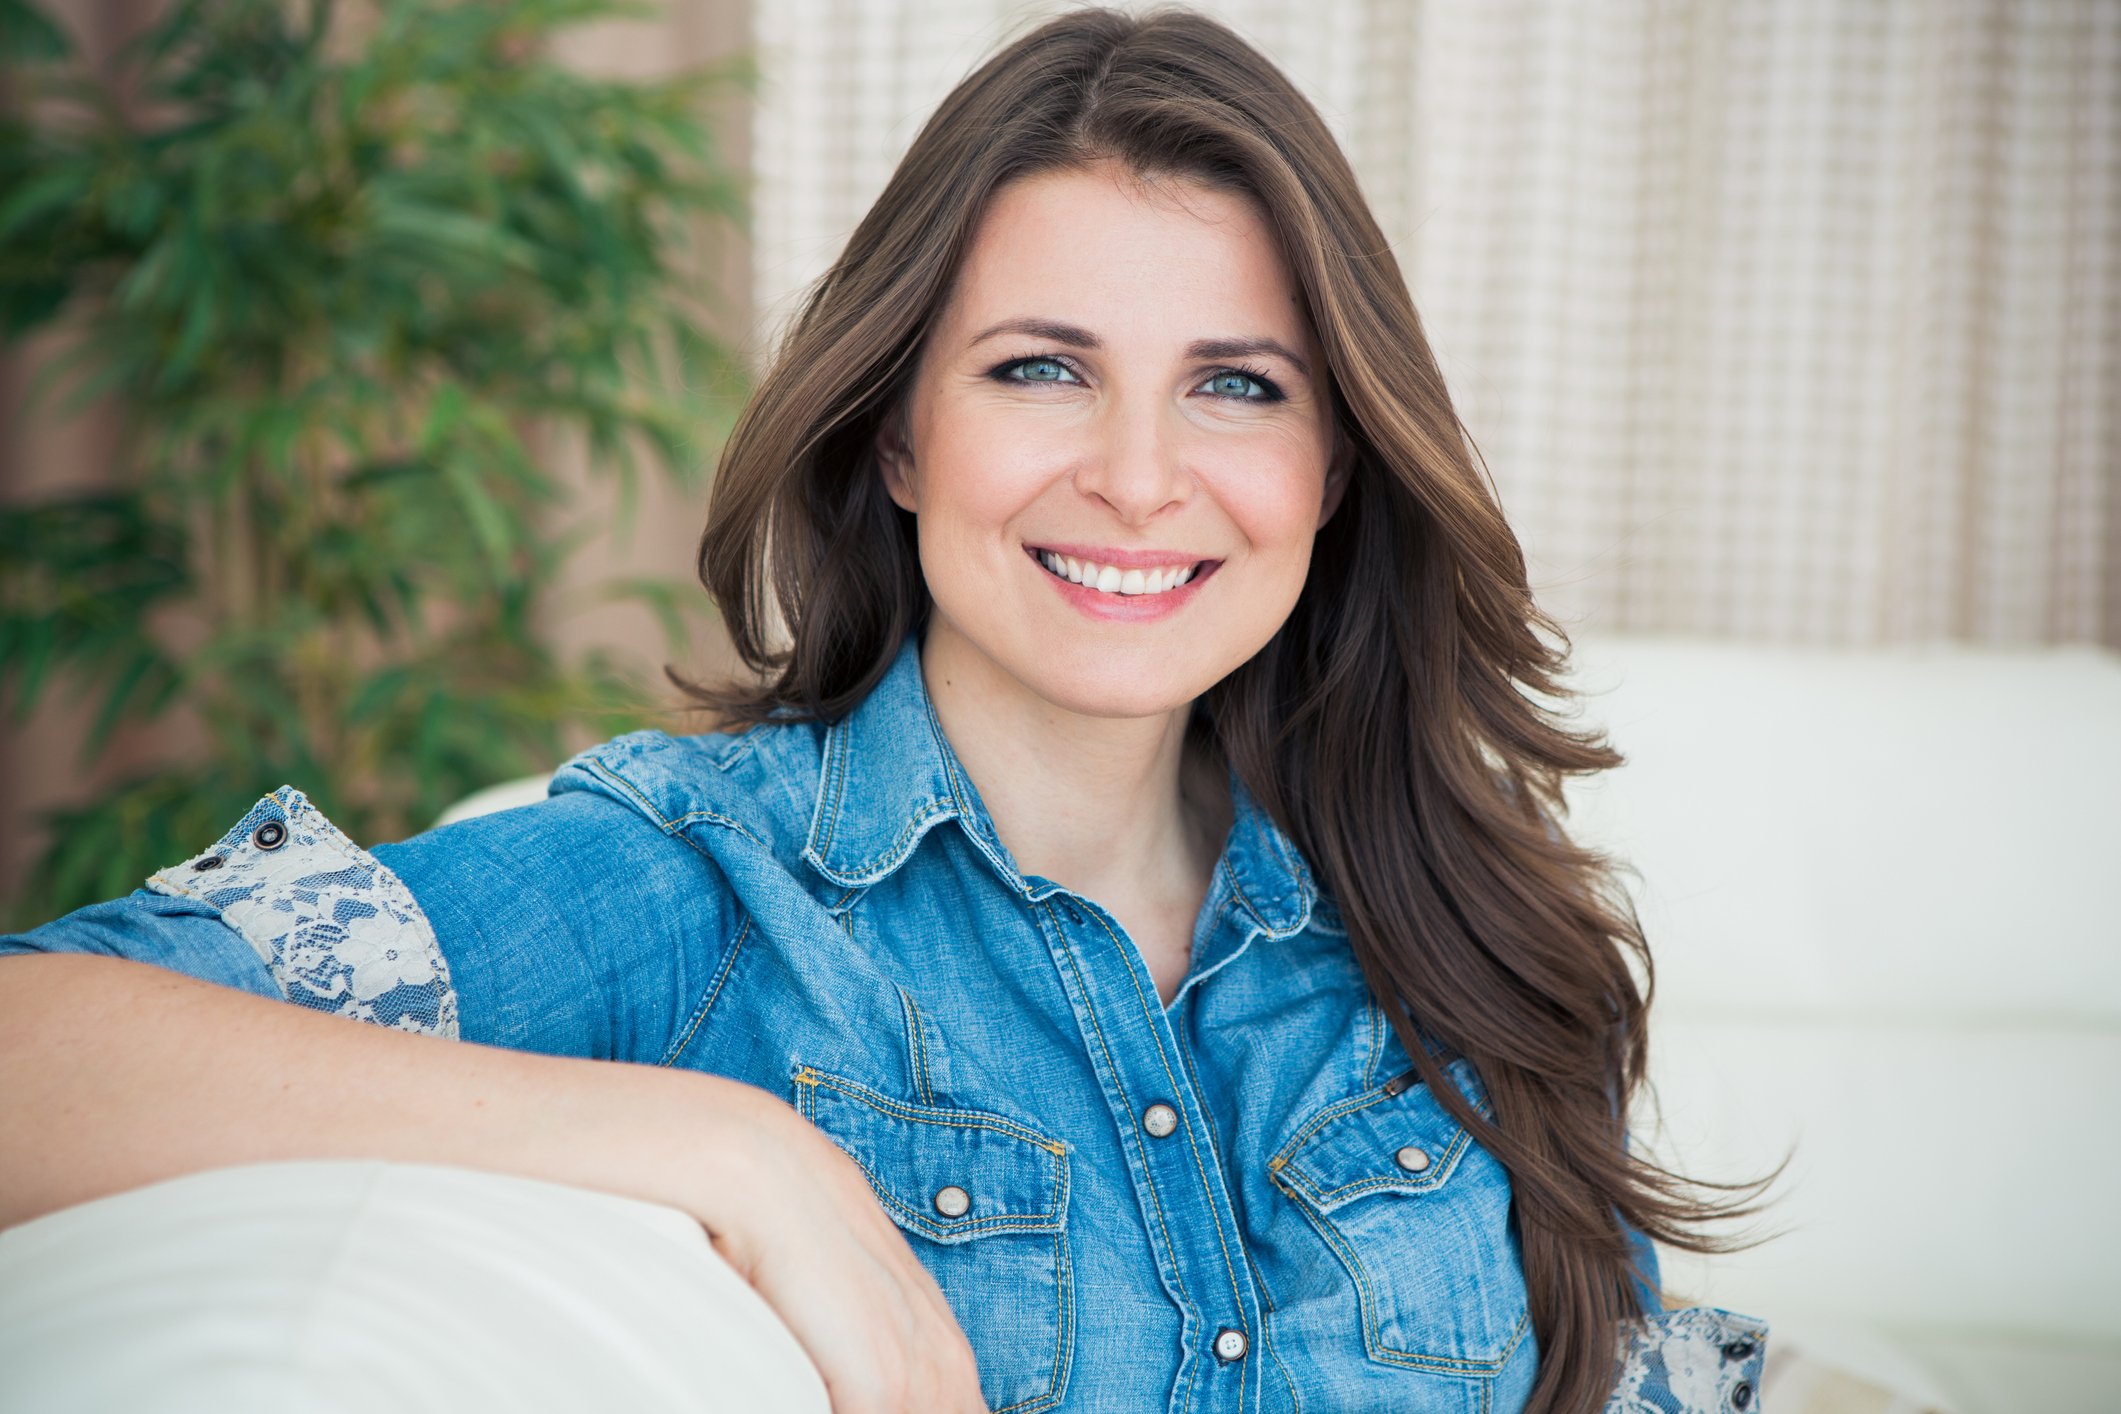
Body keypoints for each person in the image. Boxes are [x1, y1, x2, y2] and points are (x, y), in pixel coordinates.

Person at [0, 8, 1768, 1414]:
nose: (1140, 478)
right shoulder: (698, 889)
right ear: (903, 434)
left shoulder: (1464, 938)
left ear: (1330, 469)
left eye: (1235, 385)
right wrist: (731, 1148)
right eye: (1040, 369)